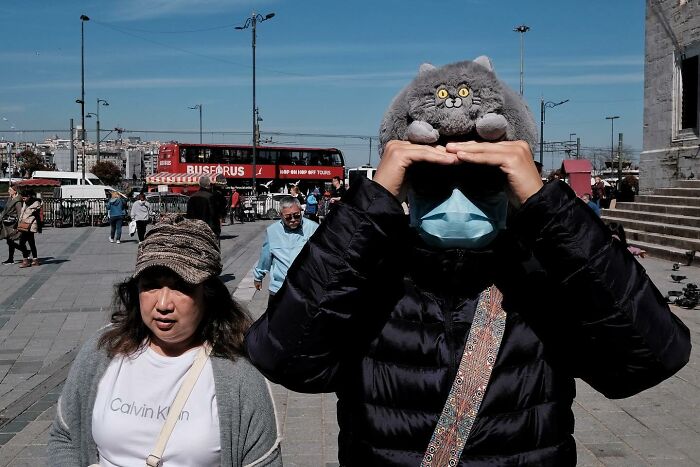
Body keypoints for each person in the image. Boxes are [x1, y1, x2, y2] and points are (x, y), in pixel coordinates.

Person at [244, 139, 691, 466]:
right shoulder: (370, 276)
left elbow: (651, 357)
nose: (457, 200)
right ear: (408, 190)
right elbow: (284, 358)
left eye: (482, 183)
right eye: (433, 182)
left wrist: (548, 208)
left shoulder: (541, 276)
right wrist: (369, 206)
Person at [47, 215, 281, 466]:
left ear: (208, 294)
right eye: (151, 286)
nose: (162, 305)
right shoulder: (102, 351)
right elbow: (66, 436)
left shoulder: (239, 374)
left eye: (181, 287)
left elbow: (263, 461)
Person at [253, 197, 318, 304]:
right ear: (280, 215)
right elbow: (265, 257)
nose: (293, 219)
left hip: (306, 288)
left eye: (296, 215)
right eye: (288, 217)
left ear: (301, 211)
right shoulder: (272, 231)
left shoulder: (313, 228)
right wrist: (258, 277)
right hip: (280, 287)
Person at [0, 185, 26, 265]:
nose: (8, 191)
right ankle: (14, 257)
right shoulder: (11, 198)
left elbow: (19, 214)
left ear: (15, 191)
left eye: (10, 190)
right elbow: (5, 210)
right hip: (7, 223)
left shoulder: (17, 201)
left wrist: (18, 226)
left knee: (10, 241)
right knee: (9, 241)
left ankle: (15, 256)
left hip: (12, 224)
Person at [17, 189, 41, 267]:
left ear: (29, 196)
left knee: (21, 242)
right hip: (24, 224)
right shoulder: (25, 203)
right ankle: (35, 259)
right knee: (31, 243)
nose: (23, 199)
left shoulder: (36, 203)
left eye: (24, 198)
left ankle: (26, 259)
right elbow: (22, 213)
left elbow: (35, 215)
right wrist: (19, 222)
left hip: (30, 225)